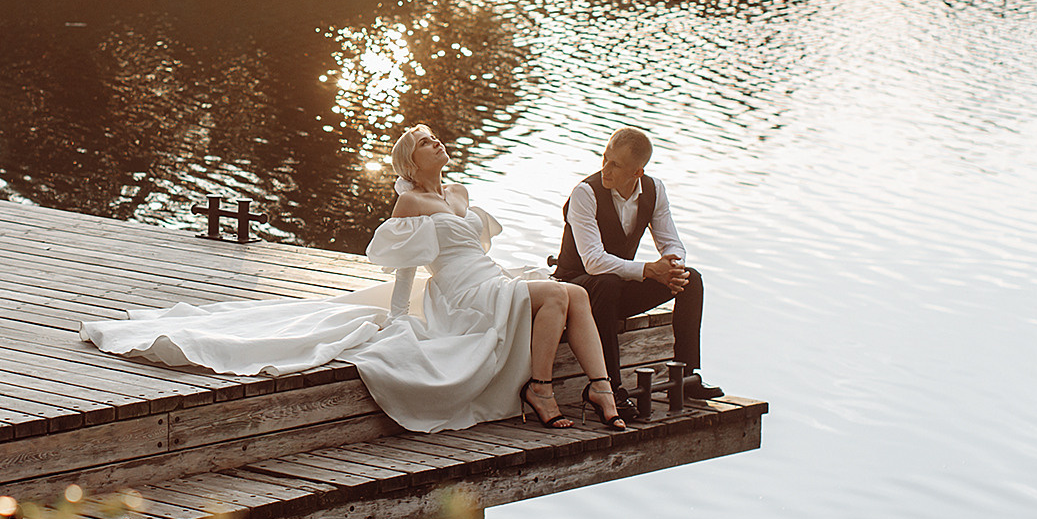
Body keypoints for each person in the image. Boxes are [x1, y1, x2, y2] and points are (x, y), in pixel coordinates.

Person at [81, 125, 629, 433]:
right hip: (464, 294)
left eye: (437, 139)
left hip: (488, 277)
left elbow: (476, 245)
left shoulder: (458, 194)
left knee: (571, 292)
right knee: (561, 292)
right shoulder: (411, 201)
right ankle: (556, 390)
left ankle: (589, 389)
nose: (437, 145)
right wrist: (396, 320)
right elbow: (408, 267)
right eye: (426, 143)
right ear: (412, 161)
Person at [554, 127, 726, 403]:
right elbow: (594, 262)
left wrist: (673, 266)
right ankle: (610, 388)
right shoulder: (585, 194)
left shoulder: (654, 190)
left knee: (690, 279)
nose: (605, 170)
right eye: (605, 159)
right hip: (576, 290)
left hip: (615, 289)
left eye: (616, 165)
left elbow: (672, 242)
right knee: (607, 283)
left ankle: (686, 378)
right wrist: (649, 270)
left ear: (637, 173)